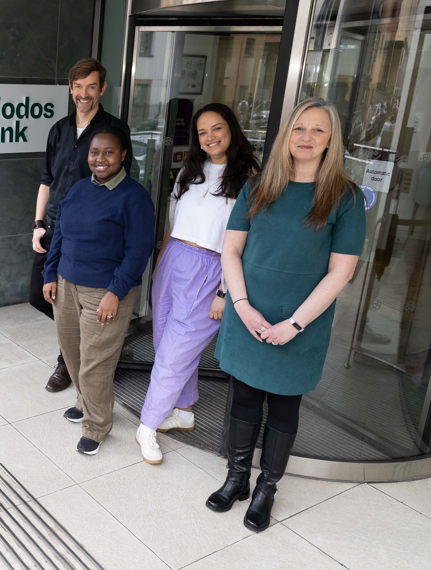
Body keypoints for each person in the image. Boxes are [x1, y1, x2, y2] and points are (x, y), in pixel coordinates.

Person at [206, 98, 366, 532]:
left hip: (301, 323)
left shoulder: (346, 197)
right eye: (299, 128)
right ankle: (237, 477)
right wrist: (241, 306)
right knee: (242, 400)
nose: (306, 138)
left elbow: (342, 271)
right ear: (286, 135)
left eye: (317, 130)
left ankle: (266, 488)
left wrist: (295, 323)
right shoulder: (258, 187)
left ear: (332, 140)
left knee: (282, 407)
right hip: (248, 312)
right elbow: (232, 249)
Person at [137, 104, 261, 465]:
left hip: (212, 267)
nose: (210, 138)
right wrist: (160, 266)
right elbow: (173, 225)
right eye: (202, 132)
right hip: (175, 258)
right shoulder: (189, 171)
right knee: (165, 343)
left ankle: (147, 425)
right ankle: (185, 411)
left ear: (231, 130)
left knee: (176, 352)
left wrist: (225, 290)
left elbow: (247, 242)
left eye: (217, 129)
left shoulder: (250, 177)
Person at [42, 127, 155, 455]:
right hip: (66, 284)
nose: (100, 158)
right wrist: (51, 274)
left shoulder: (134, 197)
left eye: (108, 152)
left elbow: (138, 251)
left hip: (106, 291)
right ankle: (85, 400)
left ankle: (97, 423)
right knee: (73, 351)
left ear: (122, 156)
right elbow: (60, 236)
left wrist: (115, 292)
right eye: (94, 152)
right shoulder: (78, 190)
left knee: (96, 361)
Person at [30, 58, 134, 393]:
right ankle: (87, 348)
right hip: (54, 224)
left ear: (102, 88)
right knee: (40, 294)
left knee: (76, 296)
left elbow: (121, 182)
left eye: (91, 86)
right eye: (78, 87)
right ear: (71, 89)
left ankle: (70, 361)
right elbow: (47, 179)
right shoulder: (59, 129)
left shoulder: (115, 130)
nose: (84, 94)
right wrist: (37, 223)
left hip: (92, 228)